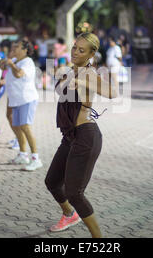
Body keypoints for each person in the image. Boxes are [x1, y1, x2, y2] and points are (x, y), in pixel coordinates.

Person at [45, 32, 118, 238]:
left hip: (86, 136)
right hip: (69, 136)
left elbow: (113, 93)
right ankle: (69, 215)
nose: (75, 52)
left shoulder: (89, 73)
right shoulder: (70, 71)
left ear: (92, 53)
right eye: (75, 47)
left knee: (74, 193)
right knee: (52, 182)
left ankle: (98, 239)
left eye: (81, 50)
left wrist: (84, 83)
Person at [0, 39, 40, 170]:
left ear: (25, 50)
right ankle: (23, 154)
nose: (14, 49)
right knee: (17, 126)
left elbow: (18, 74)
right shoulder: (17, 61)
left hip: (26, 99)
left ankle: (36, 158)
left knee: (26, 127)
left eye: (17, 47)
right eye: (13, 47)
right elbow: (5, 71)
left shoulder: (27, 62)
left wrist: (11, 64)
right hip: (16, 100)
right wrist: (6, 62)